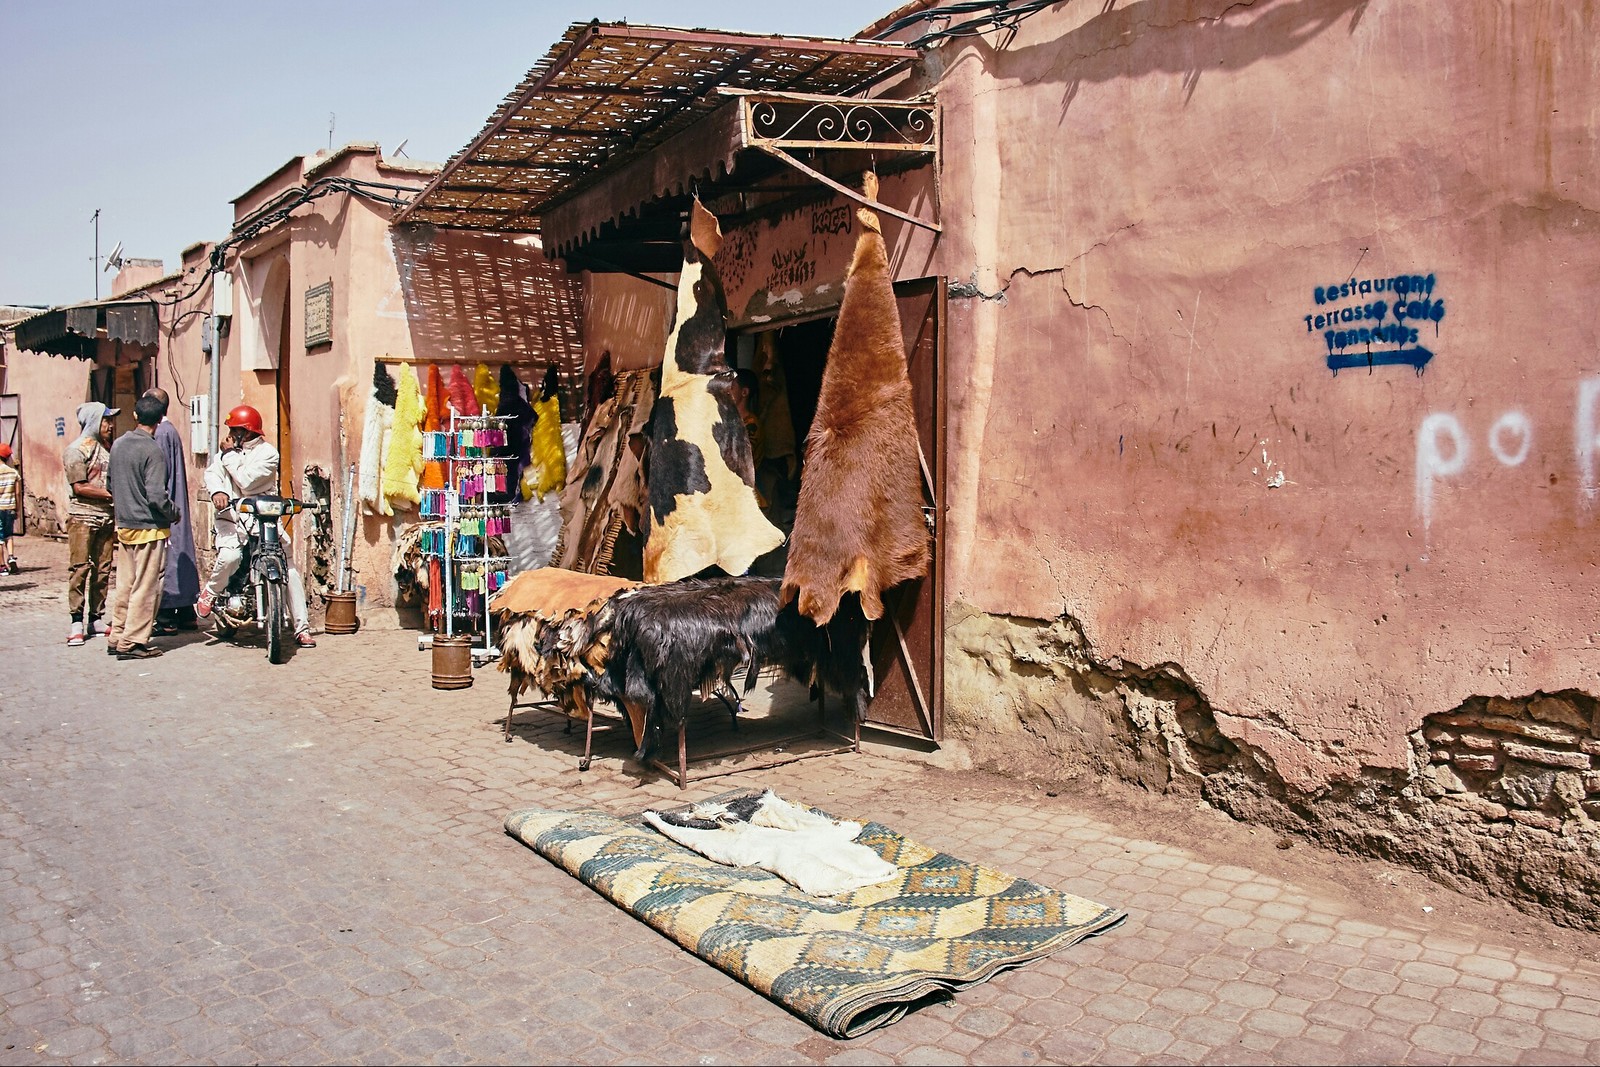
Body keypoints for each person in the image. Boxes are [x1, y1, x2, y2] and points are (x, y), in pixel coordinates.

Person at [197, 404, 316, 647]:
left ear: (247, 432)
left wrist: (229, 455)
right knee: (230, 557)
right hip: (231, 519)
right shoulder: (225, 455)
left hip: (262, 520)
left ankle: (301, 627)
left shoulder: (268, 454)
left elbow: (247, 482)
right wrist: (218, 491)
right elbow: (212, 474)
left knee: (289, 567)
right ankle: (210, 591)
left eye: (235, 430)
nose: (230, 435)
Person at [105, 394, 181, 660]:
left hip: (124, 524)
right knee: (146, 587)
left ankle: (117, 635)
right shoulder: (152, 450)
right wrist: (174, 513)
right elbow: (156, 496)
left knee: (126, 583)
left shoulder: (117, 445)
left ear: (136, 416)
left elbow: (110, 485)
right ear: (160, 419)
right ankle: (133, 641)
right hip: (149, 527)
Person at [144, 388, 200, 633]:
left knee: (170, 555)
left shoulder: (161, 433)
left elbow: (158, 474)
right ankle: (186, 610)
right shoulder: (171, 431)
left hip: (166, 504)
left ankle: (167, 615)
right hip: (174, 500)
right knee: (179, 551)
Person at [63, 402, 118, 646]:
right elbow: (80, 487)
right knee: (80, 568)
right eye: (106, 420)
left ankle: (96, 617)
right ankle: (76, 620)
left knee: (103, 568)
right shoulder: (76, 450)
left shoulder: (107, 449)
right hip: (83, 516)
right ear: (95, 421)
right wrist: (110, 494)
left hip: (106, 517)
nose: (110, 425)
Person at [0, 443, 19, 574]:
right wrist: (17, 508)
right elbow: (17, 493)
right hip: (10, 506)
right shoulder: (13, 473)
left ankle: (2, 566)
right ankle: (11, 557)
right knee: (9, 535)